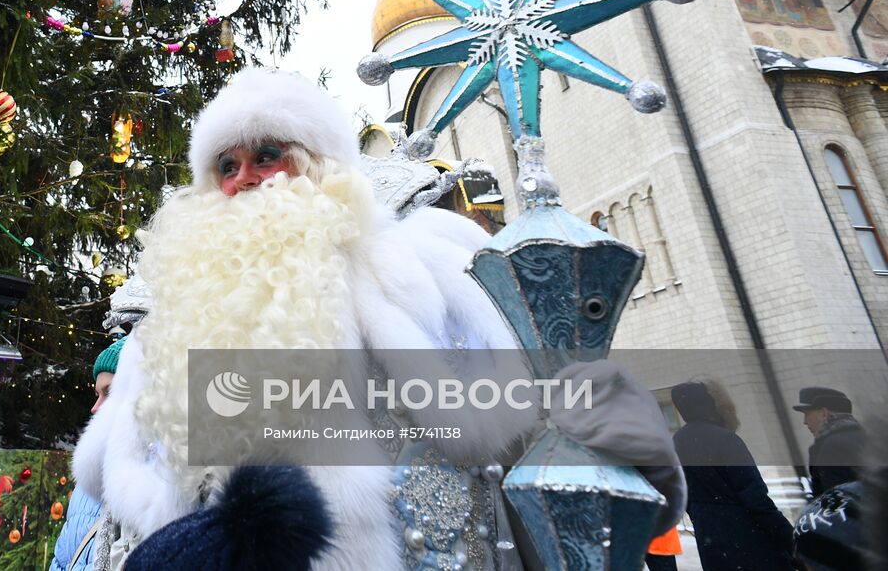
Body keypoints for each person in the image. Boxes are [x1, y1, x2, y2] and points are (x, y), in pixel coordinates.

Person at [71, 69, 685, 571]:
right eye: (225, 168)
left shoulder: (415, 260)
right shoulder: (172, 321)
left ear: (318, 165)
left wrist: (600, 426)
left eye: (266, 155)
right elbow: (118, 482)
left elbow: (520, 400)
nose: (244, 181)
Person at [671, 380, 793, 570]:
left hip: (710, 538)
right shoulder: (725, 439)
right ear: (710, 404)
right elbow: (755, 497)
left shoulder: (677, 442)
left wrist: (703, 518)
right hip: (747, 536)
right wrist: (789, 538)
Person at [50, 338, 125, 571]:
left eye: (108, 392)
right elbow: (62, 559)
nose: (95, 407)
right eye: (97, 394)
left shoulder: (164, 480)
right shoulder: (88, 482)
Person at [794, 387, 866, 498]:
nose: (805, 421)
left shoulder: (830, 448)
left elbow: (837, 501)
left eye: (807, 414)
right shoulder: (870, 438)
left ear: (824, 413)